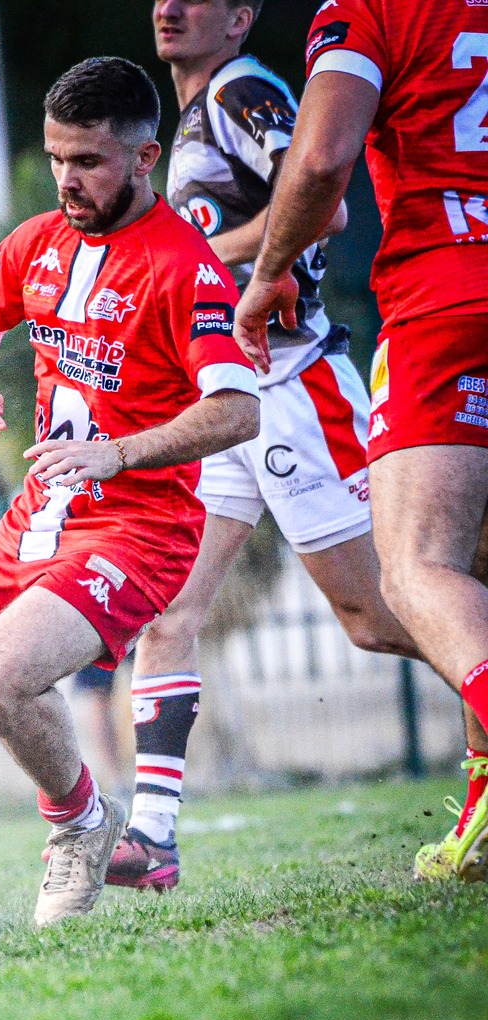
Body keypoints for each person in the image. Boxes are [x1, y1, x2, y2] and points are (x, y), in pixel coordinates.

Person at [0, 57, 260, 926]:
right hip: (41, 519)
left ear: (144, 159)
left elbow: (238, 411)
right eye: (58, 157)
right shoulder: (36, 244)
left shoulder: (186, 268)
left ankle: (82, 824)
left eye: (89, 161)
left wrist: (121, 454)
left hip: (138, 529)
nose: (67, 178)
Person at [120, 0, 438, 892]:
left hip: (292, 384)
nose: (170, 7)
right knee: (169, 608)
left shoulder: (242, 88)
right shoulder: (188, 115)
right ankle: (151, 838)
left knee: (381, 617)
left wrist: (195, 261)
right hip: (225, 398)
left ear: (241, 17)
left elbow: (324, 205)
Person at [236, 0, 488, 882]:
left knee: (415, 571)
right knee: (473, 573)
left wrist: (268, 274)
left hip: (450, 300)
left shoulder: (369, 11)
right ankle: (481, 811)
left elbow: (321, 157)